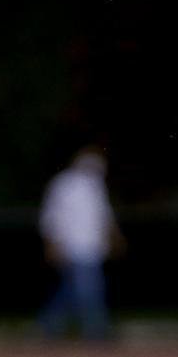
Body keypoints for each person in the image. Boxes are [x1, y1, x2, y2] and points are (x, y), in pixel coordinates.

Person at [38, 145, 122, 340]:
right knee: (88, 290)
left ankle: (48, 326)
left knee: (72, 290)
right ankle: (96, 332)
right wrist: (53, 244)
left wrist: (113, 238)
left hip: (93, 248)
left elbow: (103, 216)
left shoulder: (96, 186)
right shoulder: (63, 185)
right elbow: (52, 217)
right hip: (72, 246)